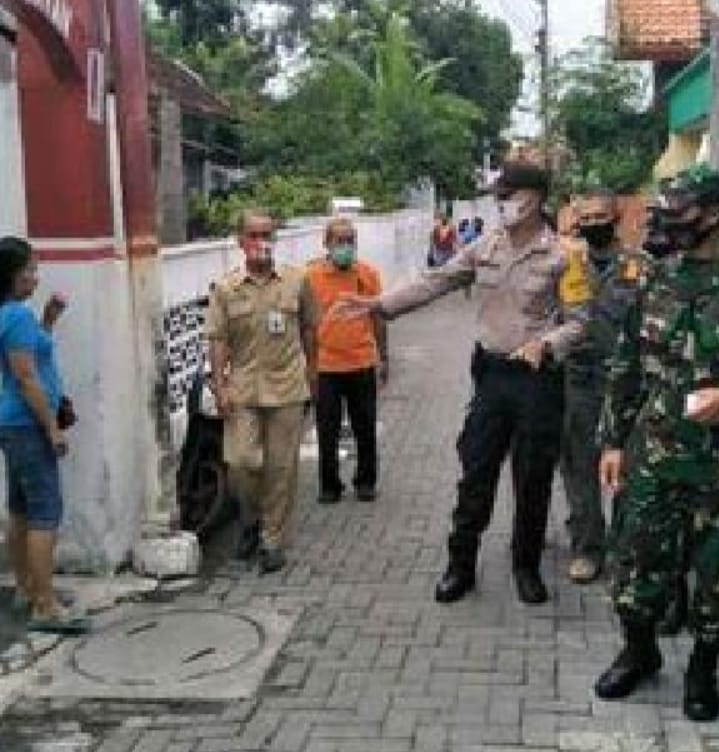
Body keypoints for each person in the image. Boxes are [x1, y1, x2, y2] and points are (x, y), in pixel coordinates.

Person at [332, 161, 582, 605]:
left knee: (533, 477)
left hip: (537, 382)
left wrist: (546, 344)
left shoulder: (565, 254)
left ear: (536, 198)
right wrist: (378, 304)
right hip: (492, 377)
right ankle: (460, 565)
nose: (503, 202)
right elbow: (436, 281)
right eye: (500, 195)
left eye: (511, 194)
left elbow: (582, 323)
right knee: (476, 472)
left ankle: (525, 565)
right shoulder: (485, 246)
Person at [594, 165, 719, 722]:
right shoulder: (656, 279)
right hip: (655, 455)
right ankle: (639, 653)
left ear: (713, 214)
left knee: (716, 579)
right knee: (638, 563)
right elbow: (625, 366)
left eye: (683, 211)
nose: (669, 221)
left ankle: (703, 669)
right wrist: (614, 442)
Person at [207, 210, 318, 574]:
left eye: (267, 234)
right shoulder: (225, 288)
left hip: (287, 389)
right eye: (253, 235)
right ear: (240, 242)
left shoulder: (297, 281)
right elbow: (218, 340)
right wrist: (220, 385)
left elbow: (309, 331)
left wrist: (312, 374)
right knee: (241, 463)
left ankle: (272, 539)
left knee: (281, 468)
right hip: (243, 390)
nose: (261, 241)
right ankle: (251, 519)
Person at [0, 236, 88, 634]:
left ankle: (29, 588)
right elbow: (24, 374)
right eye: (30, 271)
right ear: (12, 276)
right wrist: (51, 428)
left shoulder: (12, 314)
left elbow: (29, 354)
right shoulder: (15, 316)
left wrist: (48, 321)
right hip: (27, 424)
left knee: (20, 508)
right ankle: (45, 606)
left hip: (13, 424)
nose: (36, 277)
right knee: (44, 513)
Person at [559, 191, 639, 584]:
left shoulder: (641, 267)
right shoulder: (567, 265)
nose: (592, 223)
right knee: (579, 467)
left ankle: (627, 550)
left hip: (626, 383)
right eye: (585, 217)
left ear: (617, 217)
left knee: (628, 467)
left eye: (600, 216)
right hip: (579, 379)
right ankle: (588, 548)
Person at [306, 218, 388, 504]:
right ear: (326, 244)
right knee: (327, 431)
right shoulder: (311, 277)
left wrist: (383, 357)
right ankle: (330, 486)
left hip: (362, 363)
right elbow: (305, 325)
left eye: (350, 240)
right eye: (339, 241)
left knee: (365, 427)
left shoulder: (368, 274)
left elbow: (378, 316)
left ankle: (366, 482)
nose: (345, 246)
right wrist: (309, 367)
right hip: (326, 366)